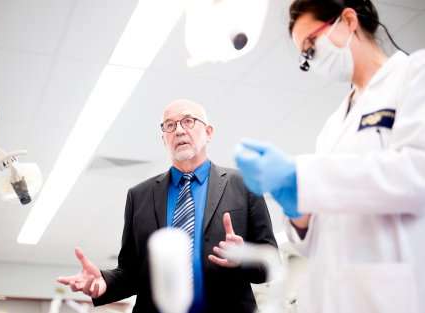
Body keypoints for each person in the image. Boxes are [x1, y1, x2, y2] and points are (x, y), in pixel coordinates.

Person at [235, 1, 425, 313]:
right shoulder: (332, 127)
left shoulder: (414, 75)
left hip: (395, 294)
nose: (311, 58)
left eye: (311, 45)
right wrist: (299, 213)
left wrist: (303, 176)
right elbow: (312, 242)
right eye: (305, 54)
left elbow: (417, 173)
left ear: (348, 20)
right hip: (333, 296)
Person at [58, 99, 277, 313]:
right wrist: (104, 283)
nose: (179, 131)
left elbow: (271, 262)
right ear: (164, 139)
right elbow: (132, 271)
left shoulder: (244, 184)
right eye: (170, 126)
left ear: (209, 132)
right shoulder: (139, 196)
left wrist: (243, 258)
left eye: (188, 121)